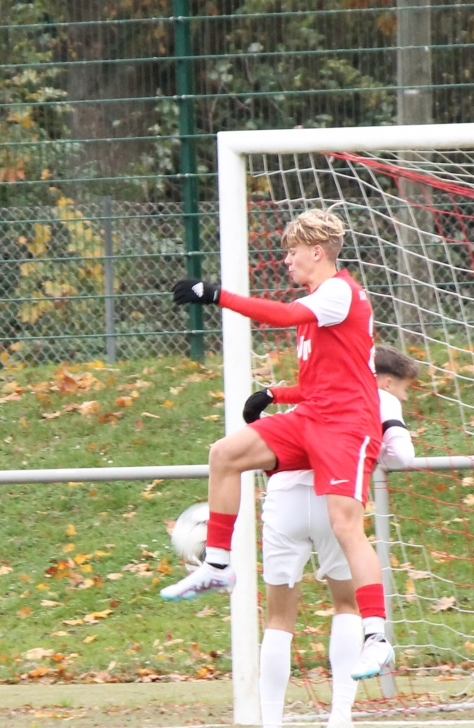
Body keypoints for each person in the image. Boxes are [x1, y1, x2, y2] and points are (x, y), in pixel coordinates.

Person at [166, 209, 393, 682]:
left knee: (345, 526)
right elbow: (323, 383)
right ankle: (218, 565)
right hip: (313, 417)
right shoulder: (318, 303)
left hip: (347, 427)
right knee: (224, 455)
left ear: (317, 252)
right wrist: (275, 394)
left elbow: (282, 316)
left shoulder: (338, 292)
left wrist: (215, 294)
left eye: (292, 252)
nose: (286, 260)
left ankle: (376, 639)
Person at [244, 345, 417, 728]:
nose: (405, 395)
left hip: (283, 497)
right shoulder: (378, 397)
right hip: (334, 497)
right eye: (405, 387)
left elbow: (264, 432)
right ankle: (341, 713)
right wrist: (374, 451)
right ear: (387, 380)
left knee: (278, 618)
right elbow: (403, 456)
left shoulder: (317, 392)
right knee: (347, 604)